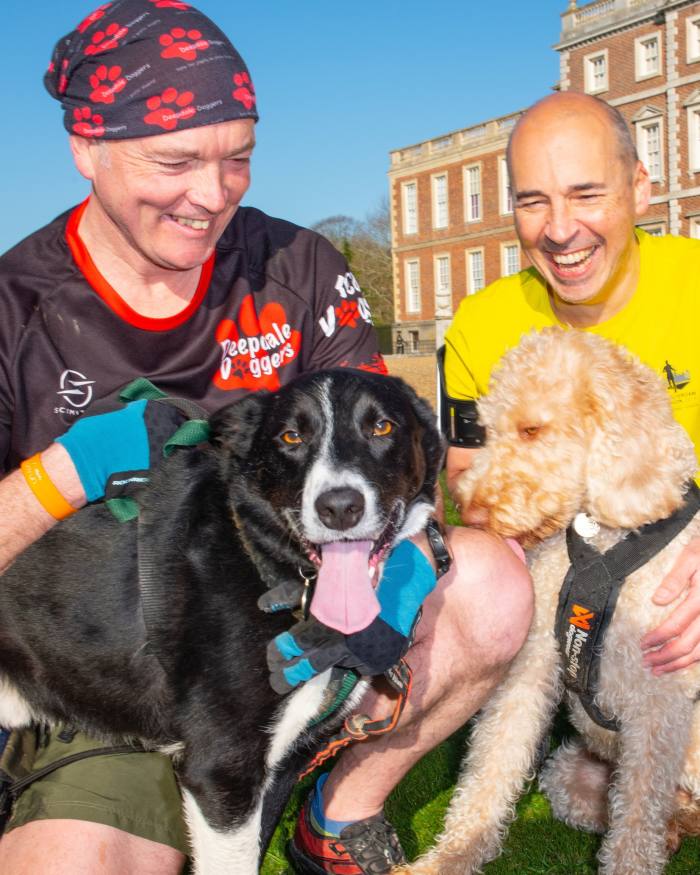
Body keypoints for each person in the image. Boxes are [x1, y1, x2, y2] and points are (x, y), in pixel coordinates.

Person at [0, 2, 532, 873]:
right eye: (176, 159)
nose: (212, 194)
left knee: (496, 584)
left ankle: (337, 806)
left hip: (304, 631)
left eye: (237, 157)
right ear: (86, 148)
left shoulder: (301, 267)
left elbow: (396, 456)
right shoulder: (15, 307)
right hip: (103, 664)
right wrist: (68, 470)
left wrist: (402, 576)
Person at [444, 92, 700, 706]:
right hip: (563, 577)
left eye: (586, 194)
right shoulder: (479, 325)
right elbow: (466, 479)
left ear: (640, 189)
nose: (560, 231)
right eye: (534, 202)